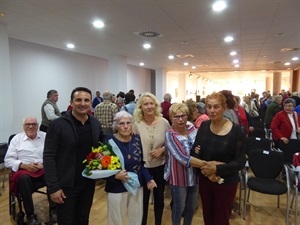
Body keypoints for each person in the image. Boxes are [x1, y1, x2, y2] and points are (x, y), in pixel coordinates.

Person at [43, 87, 105, 225]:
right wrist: (53, 187)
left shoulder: (94, 123)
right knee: (66, 221)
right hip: (65, 186)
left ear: (90, 103)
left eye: (86, 100)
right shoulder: (58, 125)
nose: (82, 103)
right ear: (71, 102)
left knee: (83, 219)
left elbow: (102, 143)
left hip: (87, 183)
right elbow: (48, 156)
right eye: (78, 100)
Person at [191, 92, 246, 225]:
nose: (212, 110)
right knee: (208, 217)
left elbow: (240, 162)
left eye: (216, 107)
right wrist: (207, 170)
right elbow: (195, 151)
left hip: (225, 182)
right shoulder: (204, 126)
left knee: (221, 219)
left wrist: (216, 169)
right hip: (206, 179)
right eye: (209, 107)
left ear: (224, 107)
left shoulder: (236, 131)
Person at [105, 111, 157, 225]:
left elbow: (141, 162)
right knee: (116, 220)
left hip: (136, 186)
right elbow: (101, 168)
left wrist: (149, 179)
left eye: (128, 123)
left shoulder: (136, 138)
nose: (125, 126)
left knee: (136, 218)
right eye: (121, 123)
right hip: (116, 187)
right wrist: (114, 176)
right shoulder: (108, 141)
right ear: (116, 126)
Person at [5, 116, 56, 225]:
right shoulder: (17, 139)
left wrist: (44, 164)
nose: (30, 127)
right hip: (24, 170)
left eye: (33, 124)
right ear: (23, 127)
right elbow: (8, 160)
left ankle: (54, 210)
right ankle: (31, 215)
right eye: (27, 124)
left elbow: (54, 154)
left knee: (51, 174)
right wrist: (24, 165)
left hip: (43, 168)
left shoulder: (45, 136)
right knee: (23, 179)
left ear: (38, 126)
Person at [132, 92, 170, 225]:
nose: (149, 106)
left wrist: (163, 149)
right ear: (141, 107)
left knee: (159, 198)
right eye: (145, 104)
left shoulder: (164, 122)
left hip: (160, 165)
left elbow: (170, 142)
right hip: (143, 167)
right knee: (143, 200)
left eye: (151, 103)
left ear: (156, 105)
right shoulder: (136, 124)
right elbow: (133, 145)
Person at [164, 103, 205, 225]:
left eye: (183, 115)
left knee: (191, 207)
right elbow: (183, 158)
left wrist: (197, 151)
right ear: (171, 118)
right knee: (179, 208)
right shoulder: (170, 134)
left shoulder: (192, 128)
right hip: (179, 178)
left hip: (194, 176)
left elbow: (200, 147)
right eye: (176, 116)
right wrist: (207, 165)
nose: (180, 119)